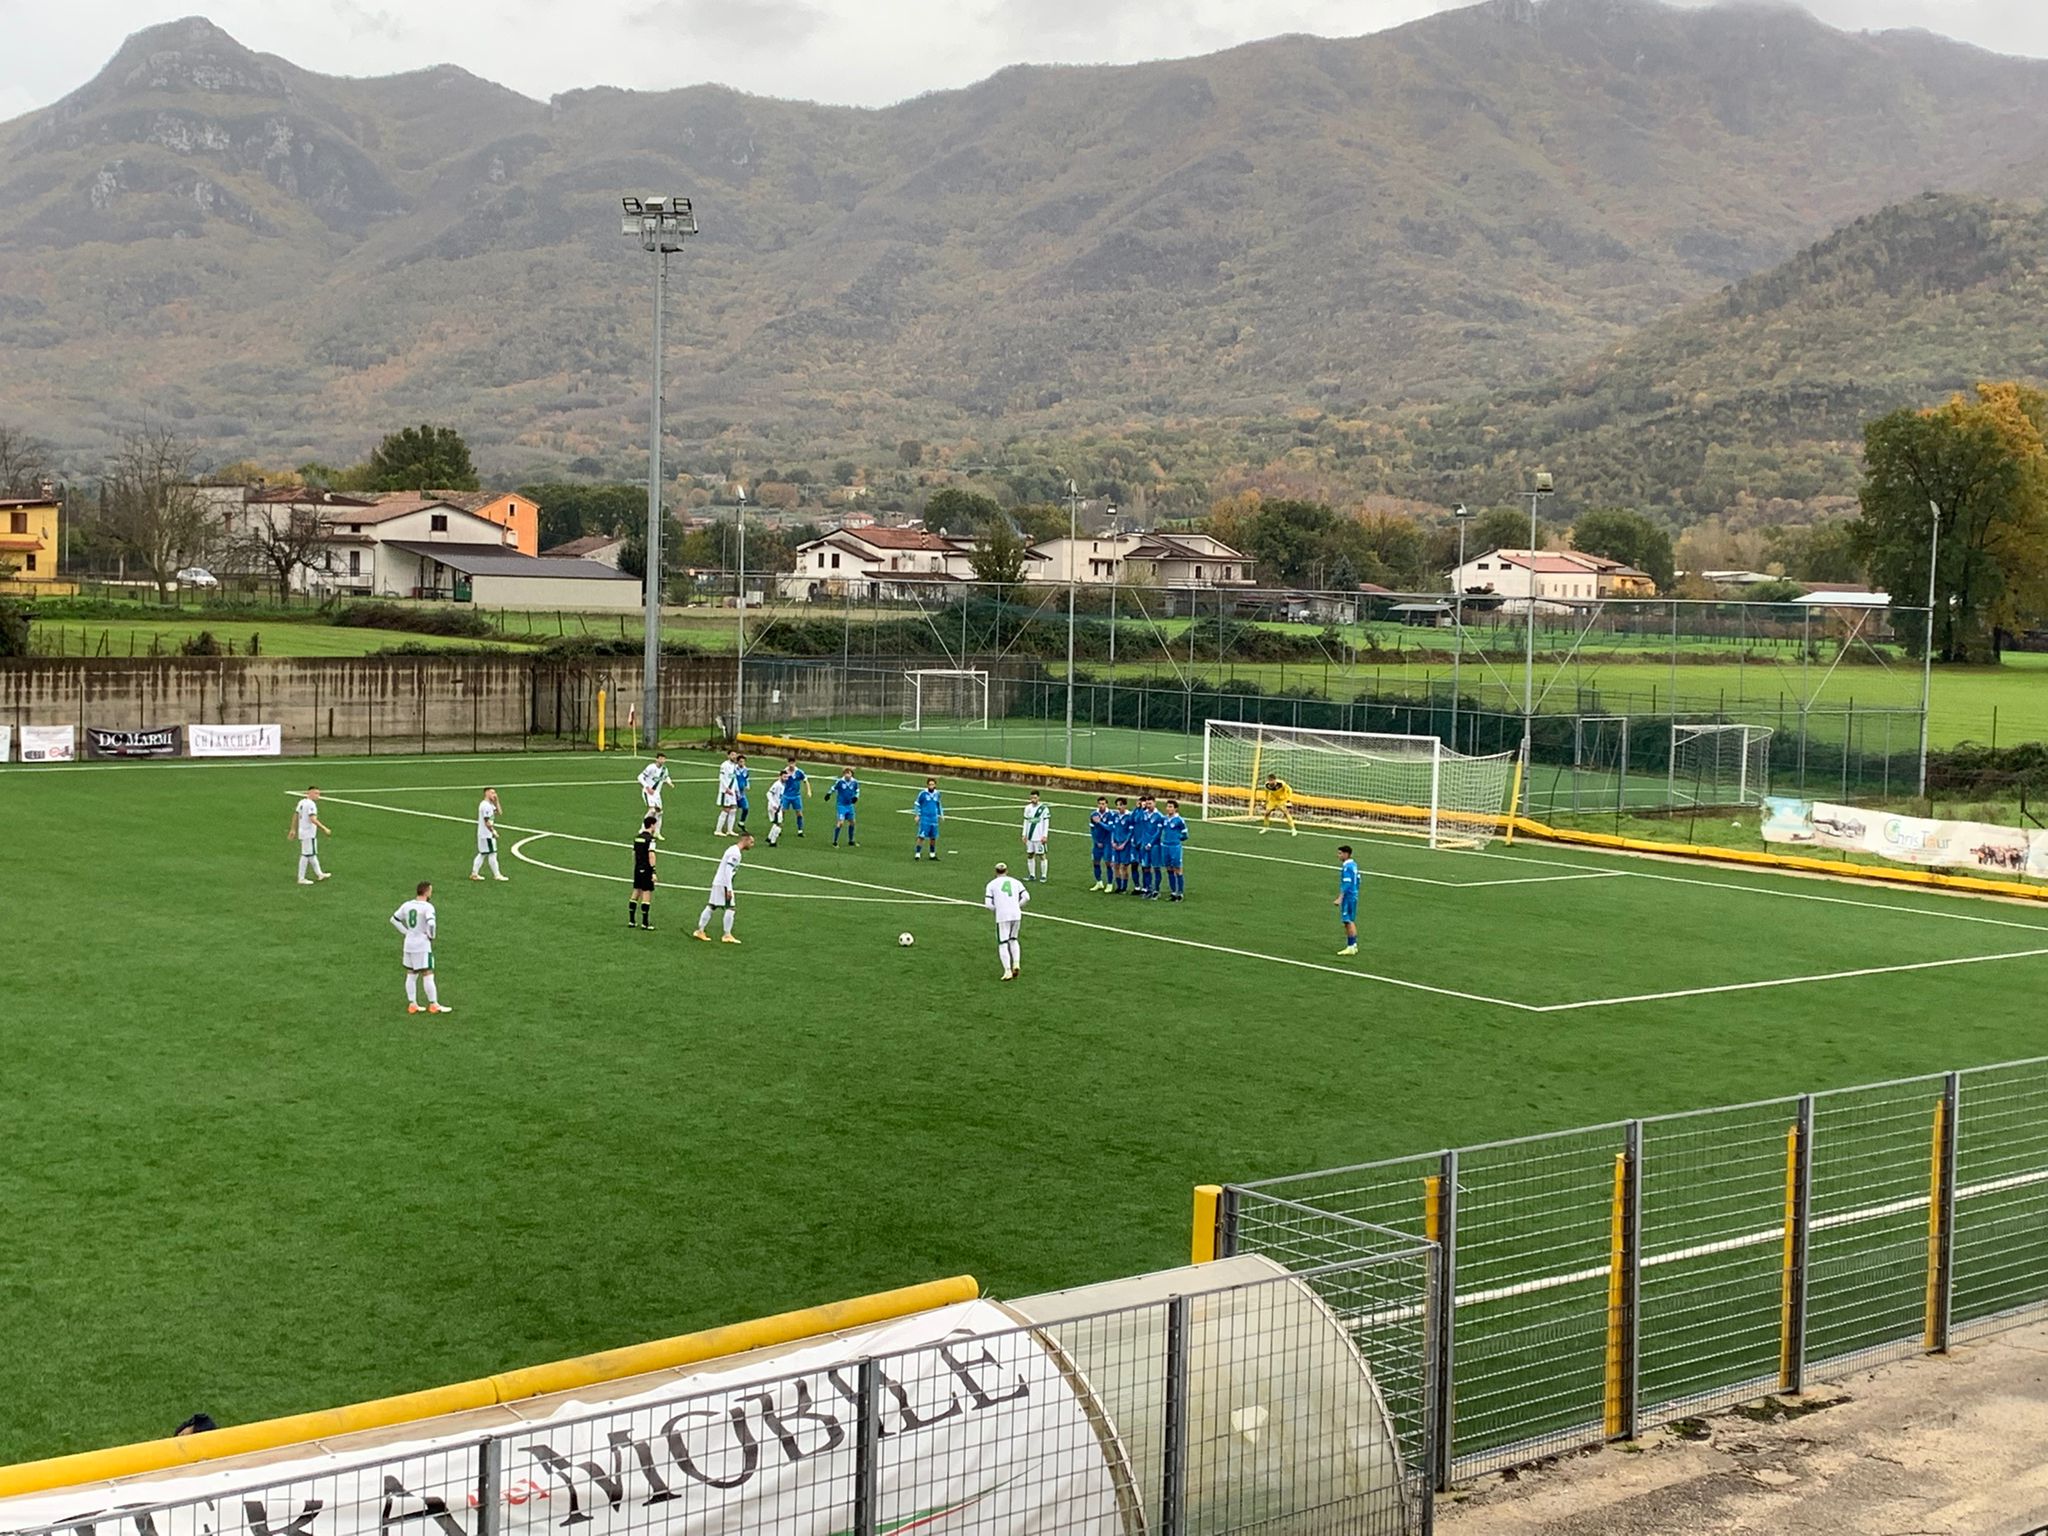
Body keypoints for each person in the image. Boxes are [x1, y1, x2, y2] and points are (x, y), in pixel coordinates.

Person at [390, 880, 451, 1014]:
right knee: (428, 973)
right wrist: (431, 935)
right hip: (422, 944)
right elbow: (431, 923)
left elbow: (394, 919)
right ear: (427, 892)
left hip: (408, 943)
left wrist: (406, 932)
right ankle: (433, 1004)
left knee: (411, 974)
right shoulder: (427, 907)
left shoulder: (407, 905)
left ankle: (412, 1004)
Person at [695, 832, 754, 943]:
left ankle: (700, 930)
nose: (752, 845)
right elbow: (728, 871)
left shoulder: (732, 849)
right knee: (730, 908)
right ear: (745, 840)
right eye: (751, 842)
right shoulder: (735, 853)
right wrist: (729, 889)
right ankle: (727, 935)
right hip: (723, 884)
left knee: (712, 906)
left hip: (718, 882)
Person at [984, 860, 1031, 981]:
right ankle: (1016, 963)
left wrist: (997, 910)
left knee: (1003, 942)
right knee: (1014, 939)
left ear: (995, 872)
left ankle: (1007, 971)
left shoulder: (991, 884)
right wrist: (1017, 906)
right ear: (1007, 871)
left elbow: (988, 904)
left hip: (1002, 916)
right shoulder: (1016, 882)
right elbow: (1027, 897)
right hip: (1016, 914)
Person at [289, 785, 332, 885]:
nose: (318, 796)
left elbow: (295, 815)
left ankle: (319, 874)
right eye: (316, 793)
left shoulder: (302, 802)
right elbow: (312, 819)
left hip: (303, 831)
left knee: (311, 854)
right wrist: (324, 828)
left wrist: (293, 829)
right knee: (306, 855)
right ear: (310, 793)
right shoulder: (311, 805)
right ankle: (301, 878)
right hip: (309, 833)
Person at [470, 788, 508, 882]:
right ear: (486, 793)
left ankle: (474, 873)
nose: (494, 794)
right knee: (492, 853)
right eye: (492, 792)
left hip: (484, 834)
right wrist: (493, 831)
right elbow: (487, 821)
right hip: (486, 834)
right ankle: (497, 874)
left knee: (483, 853)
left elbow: (499, 812)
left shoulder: (489, 805)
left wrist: (497, 801)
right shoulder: (485, 806)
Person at [629, 814, 659, 929]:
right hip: (646, 869)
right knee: (646, 894)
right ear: (651, 825)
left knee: (636, 892)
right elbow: (651, 855)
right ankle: (645, 923)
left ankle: (632, 920)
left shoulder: (637, 838)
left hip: (637, 868)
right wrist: (653, 871)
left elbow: (634, 853)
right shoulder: (650, 840)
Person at [1131, 795, 1163, 897]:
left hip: (1154, 846)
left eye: (1150, 803)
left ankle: (1156, 890)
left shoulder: (1159, 816)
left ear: (1154, 803)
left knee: (1156, 868)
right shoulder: (1143, 814)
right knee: (1145, 867)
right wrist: (1139, 808)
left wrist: (1150, 843)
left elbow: (1158, 833)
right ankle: (1147, 889)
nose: (1148, 806)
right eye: (1147, 804)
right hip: (1144, 846)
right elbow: (1134, 820)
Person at [1160, 798, 1190, 901]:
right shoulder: (1164, 819)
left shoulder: (1179, 820)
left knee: (1178, 869)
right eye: (1167, 806)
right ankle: (1173, 892)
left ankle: (1180, 893)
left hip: (1175, 847)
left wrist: (1177, 839)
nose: (1168, 809)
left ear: (1175, 809)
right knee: (1169, 869)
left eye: (1170, 807)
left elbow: (1185, 835)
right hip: (1165, 846)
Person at [1334, 845, 1361, 957]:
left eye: (1340, 853)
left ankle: (1350, 947)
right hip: (1354, 895)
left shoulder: (1347, 867)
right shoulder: (1354, 865)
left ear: (1346, 854)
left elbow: (1346, 883)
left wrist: (1340, 898)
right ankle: (1353, 945)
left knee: (1347, 920)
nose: (1338, 855)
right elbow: (1359, 880)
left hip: (1349, 896)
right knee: (1350, 920)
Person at [639, 752, 671, 836]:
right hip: (648, 792)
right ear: (656, 759)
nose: (662, 760)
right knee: (652, 810)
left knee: (659, 812)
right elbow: (640, 777)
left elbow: (666, 777)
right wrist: (647, 787)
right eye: (660, 758)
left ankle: (657, 832)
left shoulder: (664, 769)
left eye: (663, 759)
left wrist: (669, 782)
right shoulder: (651, 767)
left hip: (657, 794)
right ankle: (643, 829)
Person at [1021, 791, 1050, 881]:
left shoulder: (1044, 809)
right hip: (1030, 836)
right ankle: (1032, 875)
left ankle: (1043, 875)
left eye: (1035, 798)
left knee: (1042, 855)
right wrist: (1024, 834)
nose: (1033, 800)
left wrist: (1045, 835)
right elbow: (1026, 821)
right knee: (1030, 854)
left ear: (1038, 798)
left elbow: (1046, 823)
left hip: (1039, 836)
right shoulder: (1027, 808)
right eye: (1032, 798)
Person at [1259, 771, 1298, 836]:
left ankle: (1293, 829)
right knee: (1267, 813)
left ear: (1275, 780)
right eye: (1269, 780)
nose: (1270, 782)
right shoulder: (1267, 785)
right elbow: (1266, 793)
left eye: (1272, 780)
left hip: (1281, 800)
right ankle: (1265, 827)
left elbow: (1289, 790)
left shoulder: (1281, 784)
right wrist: (1265, 801)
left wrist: (1288, 800)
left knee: (1286, 813)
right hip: (1273, 800)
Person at [913, 777, 943, 859]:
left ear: (935, 785)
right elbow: (917, 804)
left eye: (932, 784)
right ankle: (917, 853)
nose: (931, 786)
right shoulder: (923, 794)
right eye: (930, 784)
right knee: (921, 836)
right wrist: (917, 815)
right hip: (925, 818)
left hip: (934, 818)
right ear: (927, 785)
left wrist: (940, 815)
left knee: (933, 837)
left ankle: (932, 854)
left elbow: (938, 804)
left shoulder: (938, 794)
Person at [1108, 796, 1133, 893]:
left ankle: (1124, 887)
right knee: (1115, 865)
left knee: (1125, 866)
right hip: (1116, 844)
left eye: (1121, 805)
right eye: (1117, 805)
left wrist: (1124, 844)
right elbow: (1113, 830)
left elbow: (1130, 832)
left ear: (1125, 805)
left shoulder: (1129, 817)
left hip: (1125, 846)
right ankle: (1118, 886)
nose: (1119, 807)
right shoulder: (1115, 816)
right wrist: (1112, 842)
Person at [1088, 797, 1114, 891]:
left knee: (1108, 863)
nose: (1101, 806)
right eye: (1100, 803)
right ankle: (1099, 882)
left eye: (1103, 804)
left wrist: (1099, 822)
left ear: (1106, 804)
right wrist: (1096, 841)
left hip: (1107, 843)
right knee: (1096, 862)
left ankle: (1110, 884)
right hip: (1097, 844)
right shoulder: (1093, 814)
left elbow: (1110, 828)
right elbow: (1092, 830)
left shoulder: (1111, 815)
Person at [715, 750, 741, 837]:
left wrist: (737, 790)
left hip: (732, 791)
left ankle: (730, 830)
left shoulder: (734, 766)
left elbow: (733, 778)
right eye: (732, 755)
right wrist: (726, 788)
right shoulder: (724, 765)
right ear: (728, 756)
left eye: (735, 755)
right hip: (725, 791)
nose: (734, 756)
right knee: (726, 809)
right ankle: (718, 830)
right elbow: (721, 778)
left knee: (733, 809)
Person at [832, 768, 861, 846]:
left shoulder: (855, 782)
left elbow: (857, 791)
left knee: (852, 822)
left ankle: (851, 840)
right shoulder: (840, 782)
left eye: (849, 773)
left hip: (849, 805)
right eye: (846, 773)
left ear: (851, 774)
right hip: (841, 805)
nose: (847, 775)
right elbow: (833, 788)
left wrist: (856, 797)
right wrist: (828, 794)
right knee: (840, 823)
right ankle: (835, 841)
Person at [784, 760, 809, 835]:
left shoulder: (799, 772)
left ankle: (800, 830)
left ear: (795, 763)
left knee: (799, 813)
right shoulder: (784, 772)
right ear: (788, 763)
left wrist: (808, 791)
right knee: (782, 812)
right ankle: (779, 829)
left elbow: (806, 781)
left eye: (793, 763)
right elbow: (780, 782)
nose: (791, 765)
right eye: (790, 763)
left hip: (796, 796)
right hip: (786, 795)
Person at [766, 768, 789, 846]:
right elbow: (768, 793)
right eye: (784, 777)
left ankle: (769, 838)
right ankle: (773, 842)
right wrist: (773, 804)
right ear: (780, 776)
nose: (785, 778)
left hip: (778, 806)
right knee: (779, 824)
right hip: (774, 807)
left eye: (786, 777)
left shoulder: (783, 785)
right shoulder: (777, 784)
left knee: (776, 823)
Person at [733, 755, 752, 830]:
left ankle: (741, 822)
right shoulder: (734, 769)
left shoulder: (746, 770)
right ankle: (729, 825)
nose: (742, 763)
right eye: (740, 761)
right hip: (734, 792)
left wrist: (747, 785)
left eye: (743, 761)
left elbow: (747, 778)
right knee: (732, 809)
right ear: (737, 762)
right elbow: (730, 778)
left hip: (741, 792)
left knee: (746, 808)